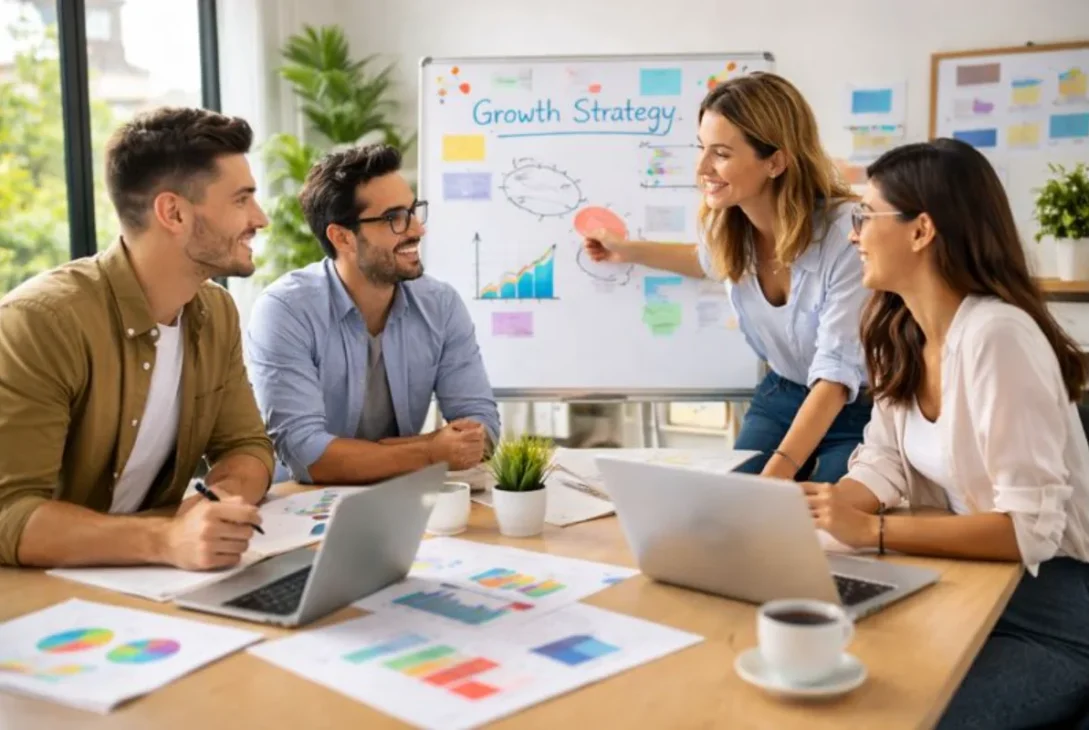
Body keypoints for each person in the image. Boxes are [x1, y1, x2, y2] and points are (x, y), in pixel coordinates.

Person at [807, 138, 1089, 729]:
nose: (854, 236)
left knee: (901, 717)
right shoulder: (900, 329)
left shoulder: (998, 337)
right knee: (821, 682)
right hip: (967, 584)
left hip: (1052, 612)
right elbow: (884, 461)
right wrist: (817, 513)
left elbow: (1028, 531)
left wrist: (871, 531)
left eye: (866, 216)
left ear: (921, 230)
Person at [0, 107, 275, 570]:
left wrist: (218, 503)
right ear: (173, 213)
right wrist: (165, 539)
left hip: (147, 579)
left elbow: (247, 445)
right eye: (241, 200)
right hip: (44, 591)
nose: (260, 218)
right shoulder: (41, 321)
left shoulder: (216, 312)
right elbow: (9, 512)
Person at [583, 72, 869, 483]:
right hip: (784, 392)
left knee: (819, 510)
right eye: (702, 148)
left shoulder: (847, 235)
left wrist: (776, 474)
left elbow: (836, 374)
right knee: (733, 500)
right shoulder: (729, 223)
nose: (702, 168)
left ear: (775, 161)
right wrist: (627, 251)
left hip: (854, 405)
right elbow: (707, 261)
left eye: (720, 153)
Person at [245, 143, 501, 486]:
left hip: (401, 495)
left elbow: (483, 426)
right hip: (301, 502)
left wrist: (376, 454)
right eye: (394, 218)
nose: (417, 229)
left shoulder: (440, 304)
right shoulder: (285, 311)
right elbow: (306, 455)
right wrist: (429, 450)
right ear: (342, 238)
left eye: (413, 211)